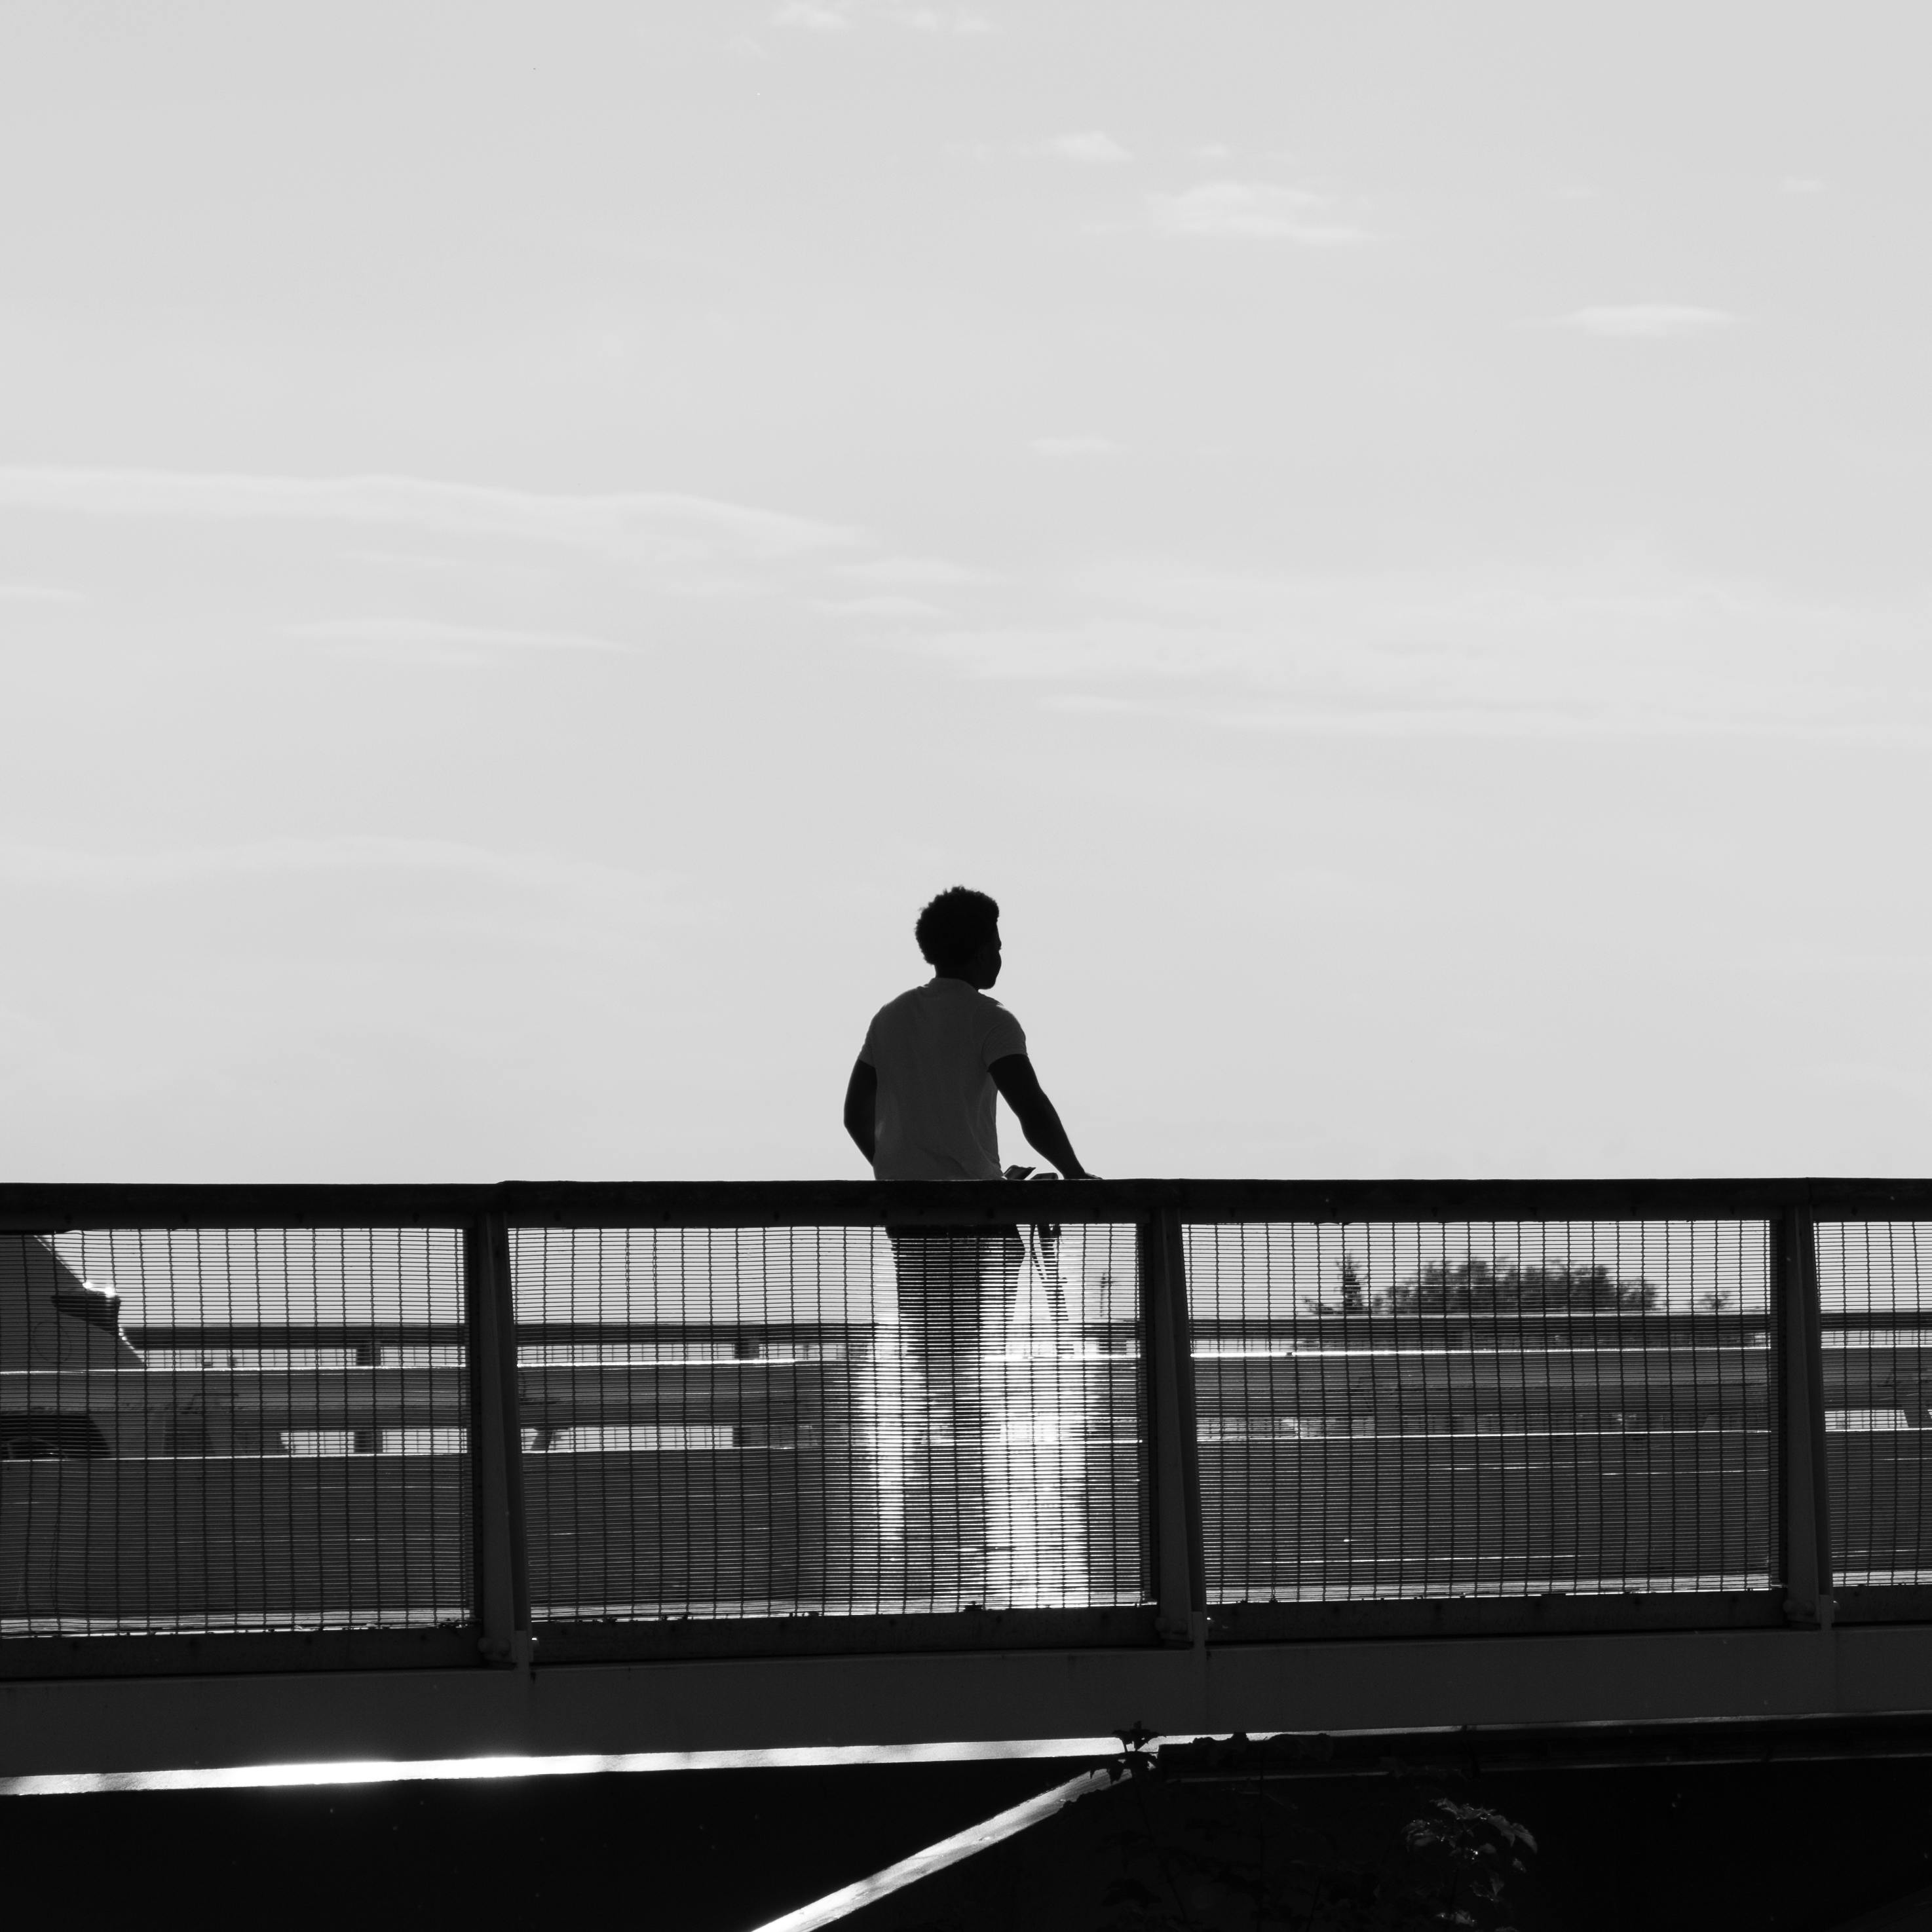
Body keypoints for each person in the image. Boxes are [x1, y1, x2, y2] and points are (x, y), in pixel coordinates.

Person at [841, 886, 1093, 1605]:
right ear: (979, 947)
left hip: (909, 1215)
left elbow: (855, 1112)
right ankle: (968, 1520)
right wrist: (1074, 1175)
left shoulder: (891, 1017)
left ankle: (930, 1513)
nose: (1002, 953)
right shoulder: (991, 1019)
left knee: (929, 1358)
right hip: (975, 1220)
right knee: (971, 1364)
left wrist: (897, 1167)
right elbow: (1030, 1107)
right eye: (997, 940)